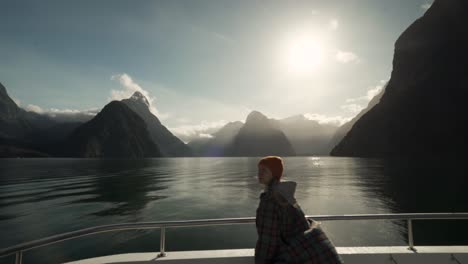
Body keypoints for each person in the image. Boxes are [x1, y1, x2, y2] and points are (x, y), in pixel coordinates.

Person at [255, 156, 344, 264]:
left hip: (297, 254)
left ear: (274, 173)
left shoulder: (270, 200)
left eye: (264, 170)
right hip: (312, 251)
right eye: (259, 169)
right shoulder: (285, 195)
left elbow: (268, 241)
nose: (259, 173)